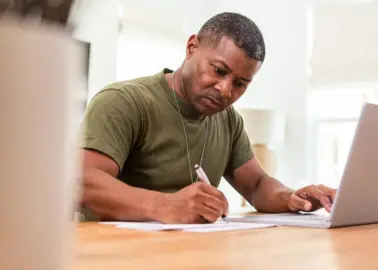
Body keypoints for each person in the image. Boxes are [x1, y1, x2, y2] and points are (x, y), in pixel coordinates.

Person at [79, 12, 337, 224]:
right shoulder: (123, 102)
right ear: (192, 47)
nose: (225, 90)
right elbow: (83, 183)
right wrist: (165, 205)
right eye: (218, 70)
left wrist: (293, 198)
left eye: (240, 83)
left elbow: (257, 185)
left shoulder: (228, 120)